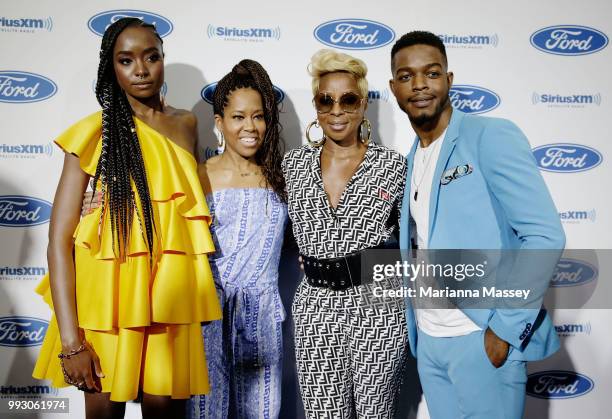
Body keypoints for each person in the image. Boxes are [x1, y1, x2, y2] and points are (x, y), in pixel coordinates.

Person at [32, 17, 221, 419]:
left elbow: (191, 203)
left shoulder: (186, 123)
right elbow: (58, 241)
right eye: (126, 60)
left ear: (162, 60)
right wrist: (72, 343)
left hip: (169, 297)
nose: (141, 69)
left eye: (151, 57)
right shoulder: (93, 133)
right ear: (111, 68)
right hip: (107, 304)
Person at [389, 31, 565, 419]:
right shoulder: (410, 159)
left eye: (431, 73)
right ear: (394, 89)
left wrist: (505, 327)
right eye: (406, 77)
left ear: (449, 80)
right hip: (430, 341)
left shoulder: (490, 137)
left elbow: (544, 234)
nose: (419, 85)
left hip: (480, 337)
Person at [283, 49, 408, 419]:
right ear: (316, 105)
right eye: (326, 99)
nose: (336, 110)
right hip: (315, 308)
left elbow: (415, 243)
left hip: (377, 308)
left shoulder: (393, 166)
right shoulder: (293, 165)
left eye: (348, 99)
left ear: (363, 104)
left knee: (376, 413)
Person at [190, 60, 288, 419]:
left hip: (261, 318)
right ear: (220, 123)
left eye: (259, 116)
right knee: (204, 412)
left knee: (263, 411)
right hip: (207, 315)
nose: (250, 127)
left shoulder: (282, 177)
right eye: (238, 117)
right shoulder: (198, 176)